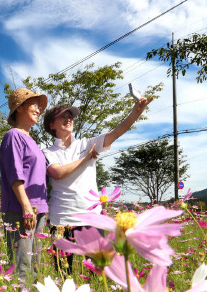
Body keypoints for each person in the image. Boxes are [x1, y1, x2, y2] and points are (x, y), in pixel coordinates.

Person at [42, 96, 153, 274]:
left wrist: (135, 113)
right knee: (62, 273)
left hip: (90, 216)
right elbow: (58, 173)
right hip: (61, 217)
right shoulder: (48, 152)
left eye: (70, 116)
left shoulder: (87, 143)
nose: (69, 119)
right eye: (63, 116)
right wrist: (86, 158)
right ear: (51, 125)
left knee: (98, 270)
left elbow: (116, 132)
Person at [0, 88, 48, 282]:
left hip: (39, 208)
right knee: (22, 267)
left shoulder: (32, 141)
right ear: (19, 108)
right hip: (22, 210)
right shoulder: (13, 136)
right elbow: (15, 175)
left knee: (35, 265)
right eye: (33, 104)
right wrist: (27, 208)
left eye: (39, 105)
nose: (38, 109)